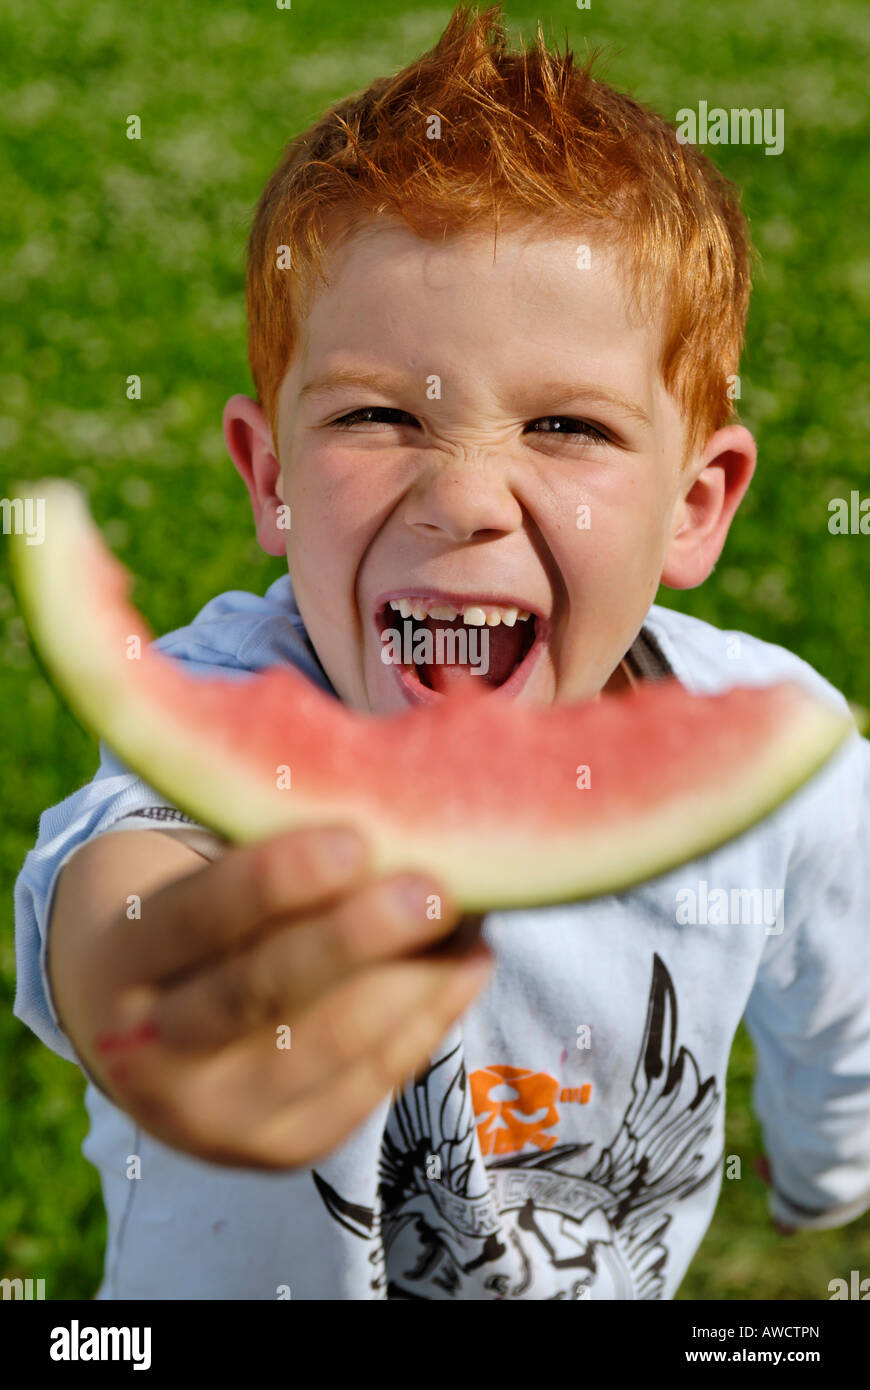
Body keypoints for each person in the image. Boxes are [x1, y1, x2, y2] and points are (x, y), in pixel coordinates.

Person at [13, 4, 870, 1299]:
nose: (463, 496)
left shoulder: (786, 755)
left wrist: (824, 1170)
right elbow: (126, 878)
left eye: (567, 426)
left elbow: (840, 997)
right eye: (374, 413)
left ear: (696, 503)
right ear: (269, 476)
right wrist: (147, 970)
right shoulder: (217, 701)